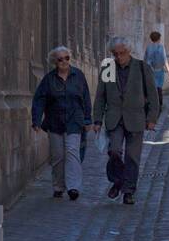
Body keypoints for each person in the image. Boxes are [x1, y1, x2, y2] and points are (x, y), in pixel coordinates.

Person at [93, 37, 161, 204]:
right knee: (114, 151)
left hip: (136, 118)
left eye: (121, 53)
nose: (118, 57)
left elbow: (153, 95)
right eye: (115, 54)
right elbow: (101, 96)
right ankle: (118, 181)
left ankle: (129, 191)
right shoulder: (108, 67)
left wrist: (152, 118)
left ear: (128, 51)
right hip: (114, 118)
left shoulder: (141, 67)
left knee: (133, 157)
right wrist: (97, 119)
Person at [32, 47, 93, 200]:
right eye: (60, 59)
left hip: (74, 120)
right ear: (55, 62)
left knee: (72, 152)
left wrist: (87, 119)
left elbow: (85, 97)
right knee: (58, 156)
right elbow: (39, 100)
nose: (64, 61)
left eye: (66, 58)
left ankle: (73, 187)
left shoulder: (78, 75)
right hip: (55, 122)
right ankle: (58, 186)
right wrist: (36, 120)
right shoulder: (49, 79)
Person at [144, 30, 169, 95]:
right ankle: (159, 102)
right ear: (159, 39)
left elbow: (145, 61)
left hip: (150, 71)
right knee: (159, 88)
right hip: (160, 71)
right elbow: (165, 60)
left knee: (151, 88)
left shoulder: (148, 47)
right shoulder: (161, 47)